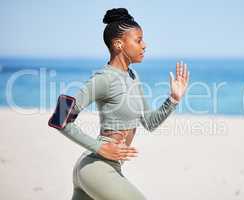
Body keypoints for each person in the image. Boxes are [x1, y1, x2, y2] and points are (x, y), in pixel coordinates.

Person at [54, 8, 189, 200]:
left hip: (107, 168)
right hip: (96, 168)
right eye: (138, 40)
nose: (144, 45)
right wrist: (100, 148)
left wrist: (173, 99)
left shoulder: (133, 77)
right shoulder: (104, 78)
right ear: (118, 44)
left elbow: (149, 122)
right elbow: (60, 117)